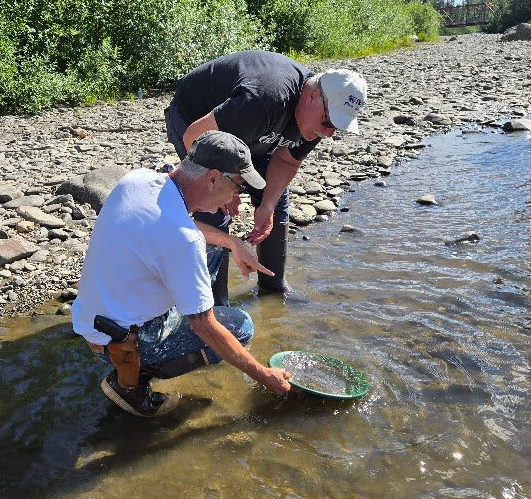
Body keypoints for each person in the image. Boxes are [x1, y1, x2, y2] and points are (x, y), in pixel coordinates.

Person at [72, 130, 292, 417]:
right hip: (120, 340)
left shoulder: (138, 180)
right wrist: (265, 375)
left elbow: (168, 226)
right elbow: (205, 327)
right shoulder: (182, 241)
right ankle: (130, 384)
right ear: (213, 178)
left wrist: (232, 242)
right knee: (240, 326)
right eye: (238, 186)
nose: (237, 198)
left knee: (213, 251)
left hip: (95, 315)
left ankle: (190, 309)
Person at [166, 50, 368, 300]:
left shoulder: (316, 123)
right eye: (329, 123)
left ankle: (273, 290)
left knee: (275, 203)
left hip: (256, 132)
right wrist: (223, 187)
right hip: (196, 119)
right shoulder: (265, 98)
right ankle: (214, 304)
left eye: (337, 127)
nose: (329, 134)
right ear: (313, 96)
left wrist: (267, 205)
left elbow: (286, 160)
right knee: (214, 205)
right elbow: (193, 137)